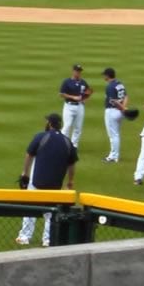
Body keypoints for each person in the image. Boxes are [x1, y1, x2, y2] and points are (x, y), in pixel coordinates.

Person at [16, 113, 78, 247]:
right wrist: (70, 181)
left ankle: (24, 236)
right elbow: (72, 164)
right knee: (51, 211)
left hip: (37, 181)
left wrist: (25, 173)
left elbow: (29, 155)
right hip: (55, 185)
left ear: (50, 124)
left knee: (30, 207)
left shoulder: (41, 136)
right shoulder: (67, 142)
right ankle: (48, 239)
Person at [59, 64, 91, 148]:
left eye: (80, 71)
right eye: (77, 71)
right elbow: (61, 94)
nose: (78, 73)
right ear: (73, 71)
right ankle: (63, 144)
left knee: (78, 127)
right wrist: (73, 97)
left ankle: (74, 146)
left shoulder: (83, 82)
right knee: (67, 126)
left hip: (80, 107)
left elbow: (88, 91)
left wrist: (85, 99)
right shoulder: (67, 82)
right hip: (69, 106)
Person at [100, 67, 128, 164]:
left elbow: (114, 101)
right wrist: (123, 108)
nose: (103, 76)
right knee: (116, 134)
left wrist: (122, 108)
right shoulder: (120, 84)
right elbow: (126, 96)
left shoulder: (110, 87)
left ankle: (113, 156)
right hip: (119, 112)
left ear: (108, 76)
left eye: (104, 75)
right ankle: (115, 155)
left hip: (112, 111)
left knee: (113, 135)